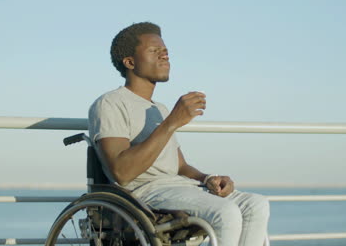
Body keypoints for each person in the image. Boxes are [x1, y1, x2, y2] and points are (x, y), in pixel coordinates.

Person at [88, 22, 269, 246]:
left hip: (179, 187)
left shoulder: (159, 109)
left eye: (165, 52)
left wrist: (208, 179)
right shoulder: (110, 103)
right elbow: (122, 172)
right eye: (155, 51)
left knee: (256, 204)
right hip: (142, 193)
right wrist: (171, 122)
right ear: (130, 62)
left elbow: (180, 166)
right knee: (227, 212)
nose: (165, 56)